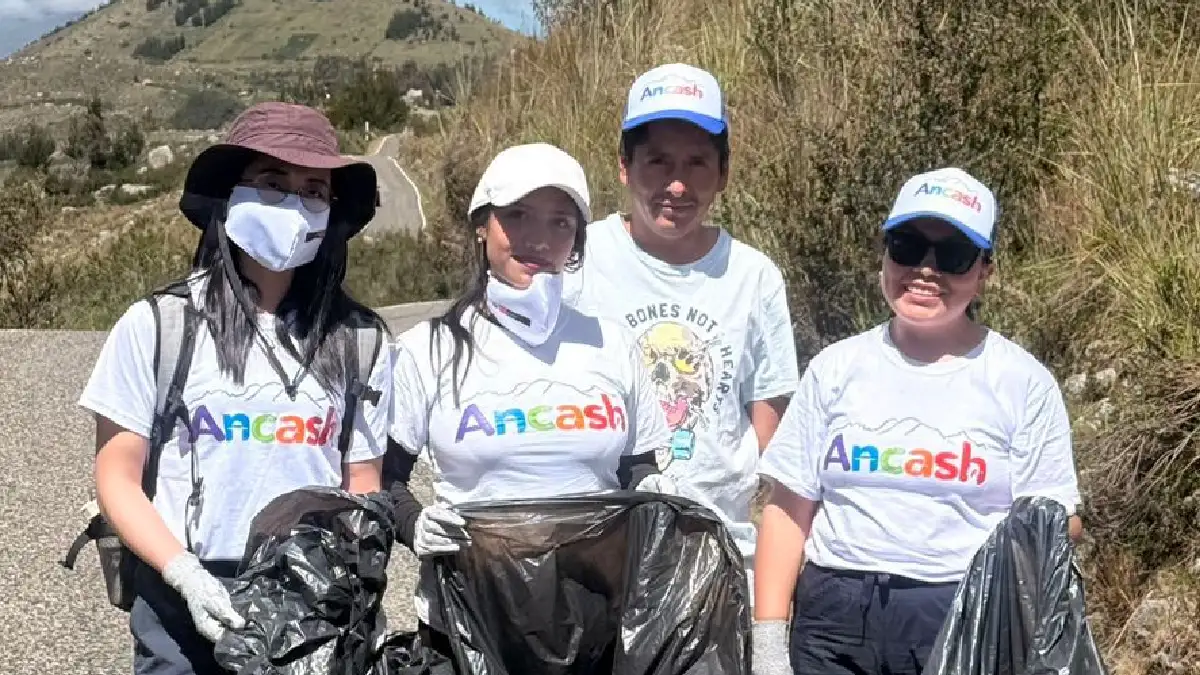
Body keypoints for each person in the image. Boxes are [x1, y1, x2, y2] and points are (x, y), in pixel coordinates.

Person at [78, 102, 394, 675]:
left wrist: (357, 603)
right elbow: (115, 478)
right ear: (231, 197)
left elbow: (361, 488)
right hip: (179, 600)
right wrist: (185, 576)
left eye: (313, 190)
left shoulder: (360, 340)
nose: (294, 205)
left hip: (310, 600)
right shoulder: (159, 325)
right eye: (272, 183)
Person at [751, 167, 1085, 675]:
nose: (925, 270)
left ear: (984, 271)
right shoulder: (835, 368)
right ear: (884, 254)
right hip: (833, 615)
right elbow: (788, 509)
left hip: (959, 617)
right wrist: (770, 645)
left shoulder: (1023, 383)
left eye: (951, 256)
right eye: (907, 247)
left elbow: (1056, 526)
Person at [382, 142, 676, 664]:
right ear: (482, 225)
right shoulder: (427, 350)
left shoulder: (611, 343)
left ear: (578, 241)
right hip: (468, 627)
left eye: (561, 223)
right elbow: (387, 476)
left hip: (593, 629)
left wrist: (651, 487)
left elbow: (636, 466)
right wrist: (413, 525)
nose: (538, 239)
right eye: (516, 216)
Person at [563, 63, 799, 595]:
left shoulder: (753, 275)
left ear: (723, 172)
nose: (677, 184)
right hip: (597, 554)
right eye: (658, 161)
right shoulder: (579, 260)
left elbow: (770, 418)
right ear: (624, 166)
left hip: (717, 551)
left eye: (697, 163)